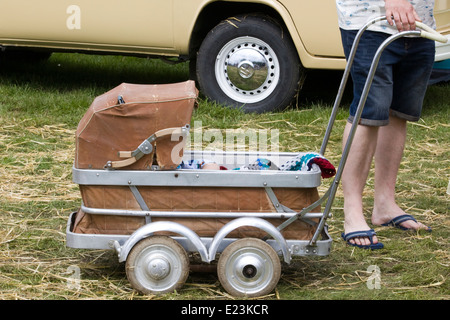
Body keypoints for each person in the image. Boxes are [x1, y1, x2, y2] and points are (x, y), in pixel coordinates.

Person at [336, 0, 435, 249]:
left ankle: (384, 204)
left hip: (419, 22)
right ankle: (352, 212)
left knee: (397, 112)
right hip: (370, 22)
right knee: (368, 112)